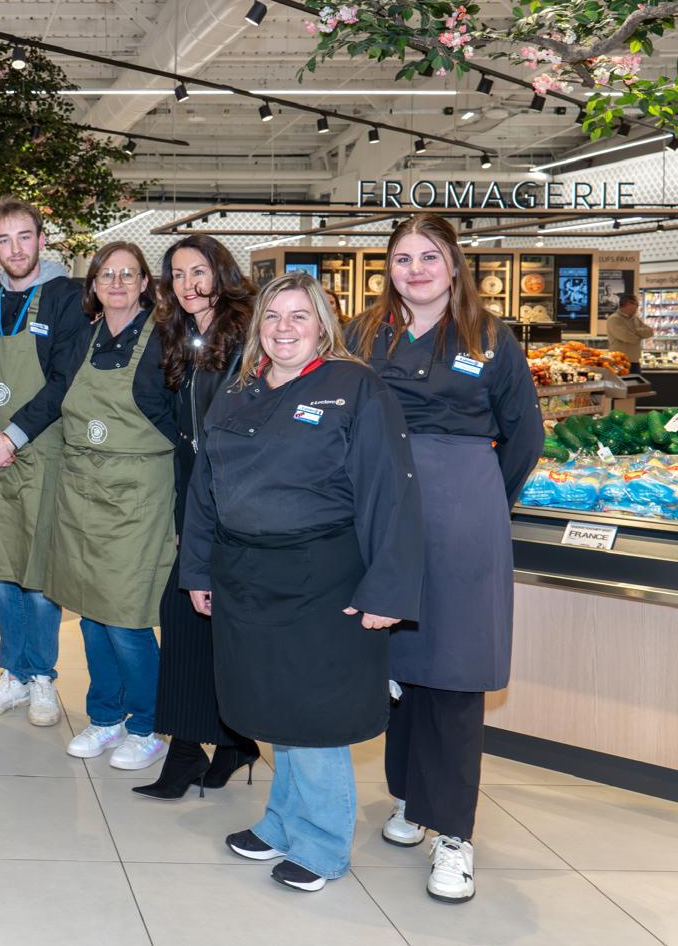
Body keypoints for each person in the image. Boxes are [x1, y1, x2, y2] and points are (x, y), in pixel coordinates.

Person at [181, 271, 423, 893]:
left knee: (313, 714)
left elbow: (389, 495)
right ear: (258, 327)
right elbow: (204, 492)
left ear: (323, 324)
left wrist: (386, 591)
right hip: (243, 574)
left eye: (298, 316)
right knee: (271, 705)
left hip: (323, 576)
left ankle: (321, 845)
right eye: (273, 317)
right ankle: (283, 822)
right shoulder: (236, 393)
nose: (284, 329)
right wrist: (199, 569)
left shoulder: (356, 387)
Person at [349, 213, 545, 903]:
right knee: (397, 661)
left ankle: (454, 836)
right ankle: (410, 799)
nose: (415, 269)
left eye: (429, 256)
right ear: (388, 270)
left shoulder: (491, 339)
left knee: (456, 673)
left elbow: (524, 434)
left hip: (463, 515)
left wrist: (483, 494)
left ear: (454, 265)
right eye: (402, 258)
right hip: (382, 510)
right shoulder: (365, 334)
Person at [0, 196, 88, 727]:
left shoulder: (68, 298)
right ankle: (13, 673)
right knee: (2, 568)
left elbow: (65, 380)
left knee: (40, 570)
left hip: (42, 449)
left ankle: (43, 676)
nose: (14, 249)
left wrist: (15, 436)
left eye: (23, 237)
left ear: (42, 239)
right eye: (3, 240)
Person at [135, 234, 263, 801]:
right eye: (178, 275)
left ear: (221, 272)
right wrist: (185, 442)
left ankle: (222, 743)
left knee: (219, 621)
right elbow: (148, 391)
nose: (189, 284)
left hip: (238, 499)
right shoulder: (179, 333)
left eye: (198, 271)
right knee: (187, 613)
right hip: (196, 488)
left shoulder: (248, 333)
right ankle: (205, 746)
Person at [44, 242, 177, 770]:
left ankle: (148, 725)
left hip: (137, 495)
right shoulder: (82, 338)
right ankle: (105, 717)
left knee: (126, 618)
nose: (117, 283)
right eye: (106, 274)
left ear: (145, 283)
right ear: (93, 284)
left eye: (128, 274)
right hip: (82, 493)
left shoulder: (166, 342)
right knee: (91, 615)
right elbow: (54, 398)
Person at [605, 292, 654, 370]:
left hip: (635, 361)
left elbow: (650, 332)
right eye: (636, 305)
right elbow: (630, 338)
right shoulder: (614, 319)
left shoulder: (635, 319)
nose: (637, 307)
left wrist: (635, 330)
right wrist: (640, 335)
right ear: (628, 304)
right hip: (619, 362)